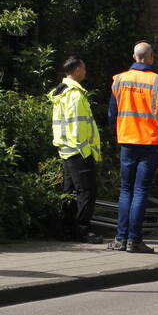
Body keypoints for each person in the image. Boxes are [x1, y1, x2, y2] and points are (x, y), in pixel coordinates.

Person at [107, 41, 158, 253]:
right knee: (141, 190)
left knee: (125, 189)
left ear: (135, 57)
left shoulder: (119, 80)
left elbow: (111, 114)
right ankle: (134, 241)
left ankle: (120, 239)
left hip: (127, 140)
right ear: (151, 56)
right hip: (151, 141)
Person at [48, 55, 103, 244]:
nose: (86, 72)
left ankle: (67, 230)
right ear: (77, 70)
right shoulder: (74, 94)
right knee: (86, 191)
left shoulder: (61, 92)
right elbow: (77, 125)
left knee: (70, 191)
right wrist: (85, 150)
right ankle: (83, 230)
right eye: (84, 68)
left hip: (66, 149)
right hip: (79, 150)